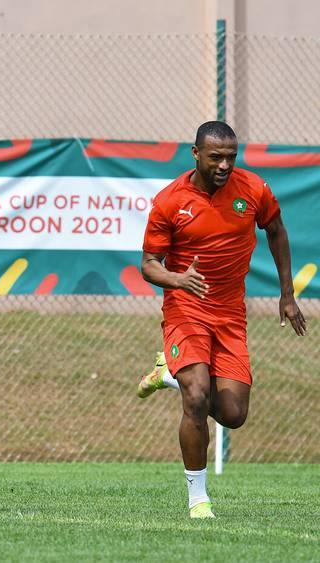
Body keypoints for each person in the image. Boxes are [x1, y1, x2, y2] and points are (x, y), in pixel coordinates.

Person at [137, 120, 307, 518]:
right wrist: (179, 279)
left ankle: (168, 372)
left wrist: (287, 294)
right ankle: (198, 498)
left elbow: (277, 231)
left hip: (230, 313)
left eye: (231, 157)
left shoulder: (253, 189)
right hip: (185, 308)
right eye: (216, 157)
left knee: (234, 415)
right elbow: (148, 265)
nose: (225, 165)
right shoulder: (169, 201)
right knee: (195, 396)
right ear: (195, 154)